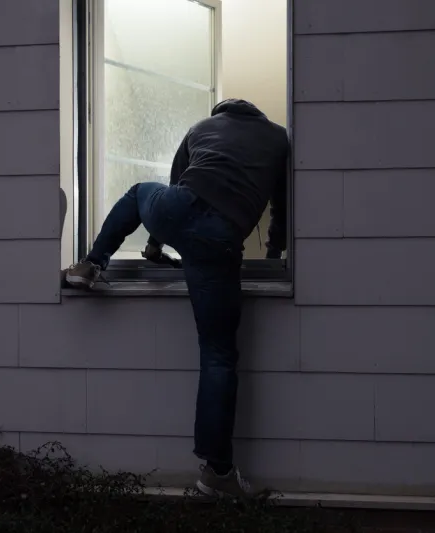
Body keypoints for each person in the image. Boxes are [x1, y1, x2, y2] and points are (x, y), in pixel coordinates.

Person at [64, 98, 289, 497]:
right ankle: (217, 474)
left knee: (138, 193)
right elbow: (282, 210)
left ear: (222, 113)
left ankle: (91, 264)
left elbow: (175, 183)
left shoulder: (201, 127)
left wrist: (154, 243)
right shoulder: (279, 139)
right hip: (219, 239)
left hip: (177, 210)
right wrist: (274, 257)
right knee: (219, 355)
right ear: (256, 114)